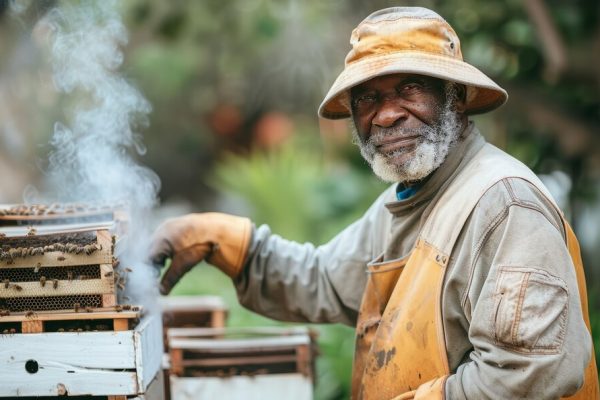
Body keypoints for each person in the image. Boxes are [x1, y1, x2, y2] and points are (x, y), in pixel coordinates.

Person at [150, 7, 599, 399]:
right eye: (368, 97)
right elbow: (326, 281)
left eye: (410, 89)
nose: (386, 114)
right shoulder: (408, 197)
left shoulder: (504, 204)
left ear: (456, 98)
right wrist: (228, 244)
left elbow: (535, 372)